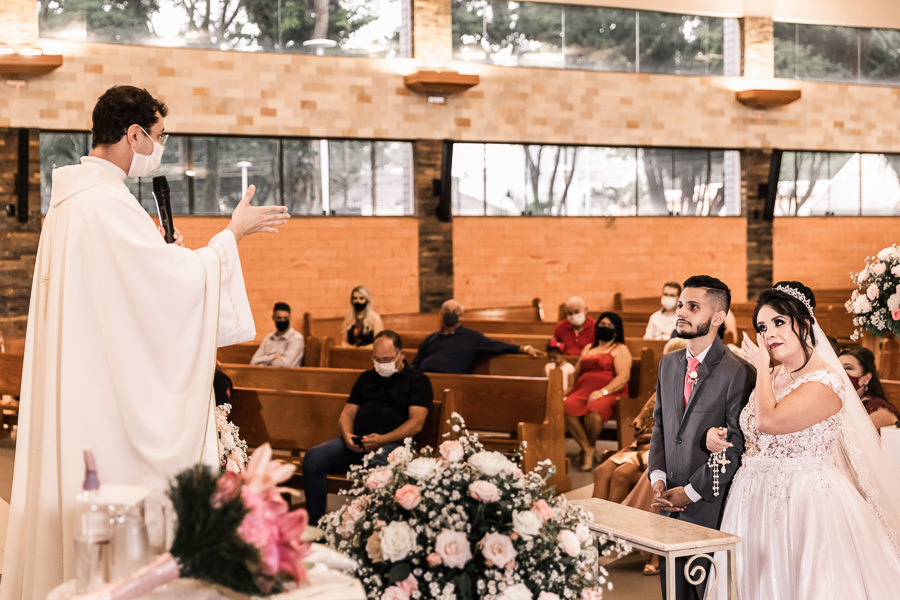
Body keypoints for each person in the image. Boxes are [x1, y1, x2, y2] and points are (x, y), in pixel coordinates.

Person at [0, 85, 289, 600]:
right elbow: (166, 292)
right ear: (133, 134)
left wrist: (161, 257)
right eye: (159, 136)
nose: (161, 145)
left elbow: (127, 291)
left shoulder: (71, 202)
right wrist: (231, 235)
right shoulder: (105, 203)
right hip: (103, 403)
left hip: (83, 384)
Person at [707, 282, 900, 600]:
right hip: (752, 497)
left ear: (805, 324)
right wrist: (719, 436)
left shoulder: (825, 381)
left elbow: (770, 422)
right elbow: (756, 432)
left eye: (779, 322)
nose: (769, 334)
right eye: (762, 327)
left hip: (804, 500)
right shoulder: (774, 376)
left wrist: (760, 369)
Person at [647, 275, 754, 600]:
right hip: (667, 500)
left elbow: (734, 445)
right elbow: (661, 426)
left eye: (693, 307)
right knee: (671, 590)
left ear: (718, 317)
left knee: (700, 591)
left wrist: (691, 492)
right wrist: (659, 477)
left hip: (708, 503)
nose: (682, 312)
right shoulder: (668, 363)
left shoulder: (738, 371)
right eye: (681, 305)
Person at [302, 330, 432, 525]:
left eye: (387, 359)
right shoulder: (366, 378)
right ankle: (316, 524)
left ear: (401, 354)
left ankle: (368, 528)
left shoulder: (418, 380)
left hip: (394, 447)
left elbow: (416, 423)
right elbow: (347, 413)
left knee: (376, 466)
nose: (381, 363)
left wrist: (382, 439)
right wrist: (347, 435)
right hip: (359, 443)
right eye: (377, 359)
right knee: (313, 458)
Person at [592, 337, 688, 503]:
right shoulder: (662, 386)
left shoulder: (688, 391)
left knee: (620, 475)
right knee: (601, 471)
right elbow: (641, 418)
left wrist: (651, 437)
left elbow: (680, 435)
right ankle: (591, 525)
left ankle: (612, 525)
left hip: (662, 450)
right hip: (641, 446)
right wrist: (638, 425)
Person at [563, 312, 632, 471]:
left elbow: (623, 376)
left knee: (594, 411)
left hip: (611, 391)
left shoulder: (620, 348)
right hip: (582, 390)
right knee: (567, 406)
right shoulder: (588, 348)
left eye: (608, 326)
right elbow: (576, 371)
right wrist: (568, 390)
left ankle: (588, 448)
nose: (604, 328)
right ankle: (587, 447)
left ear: (616, 330)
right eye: (602, 325)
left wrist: (604, 392)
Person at [411, 299, 542, 374]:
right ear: (441, 314)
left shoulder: (472, 338)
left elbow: (498, 346)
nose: (450, 314)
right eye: (447, 312)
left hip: (452, 384)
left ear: (461, 316)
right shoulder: (431, 339)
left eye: (454, 312)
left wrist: (524, 348)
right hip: (424, 381)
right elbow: (416, 364)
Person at [840, 346, 900, 431]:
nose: (841, 373)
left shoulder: (878, 410)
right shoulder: (840, 402)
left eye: (848, 368)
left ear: (866, 378)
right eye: (838, 368)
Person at [250, 301, 305, 367]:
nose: (282, 321)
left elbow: (284, 364)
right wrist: (273, 357)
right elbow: (253, 361)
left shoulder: (296, 338)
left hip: (286, 376)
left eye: (285, 318)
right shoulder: (268, 338)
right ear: (273, 318)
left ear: (290, 318)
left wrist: (263, 363)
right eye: (279, 318)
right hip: (264, 375)